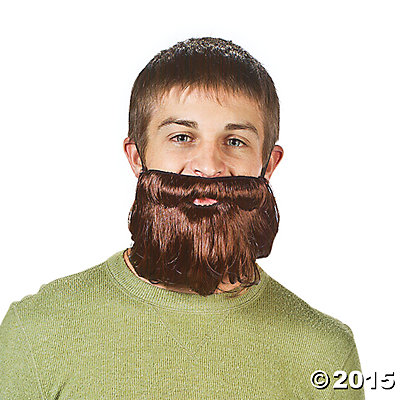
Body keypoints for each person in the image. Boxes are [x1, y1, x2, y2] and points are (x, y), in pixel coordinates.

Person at [0, 37, 364, 399]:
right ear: (137, 157)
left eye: (235, 141)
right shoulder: (36, 331)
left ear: (268, 165)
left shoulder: (327, 354)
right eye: (182, 137)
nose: (208, 166)